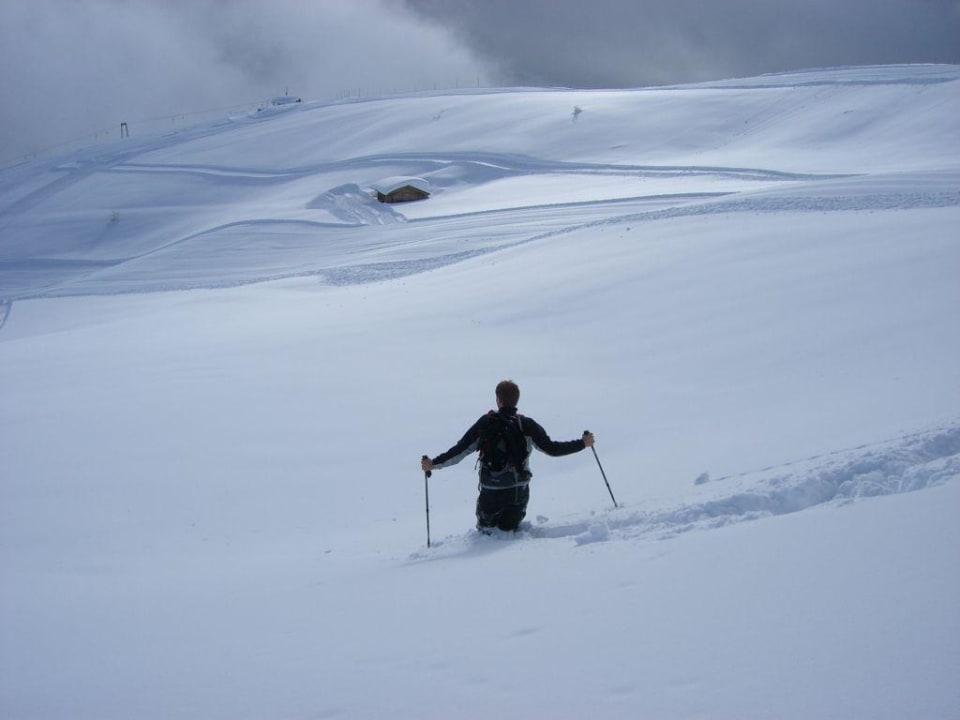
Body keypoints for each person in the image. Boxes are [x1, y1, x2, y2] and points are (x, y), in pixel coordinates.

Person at [421, 380, 595, 533]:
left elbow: (460, 450)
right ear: (516, 400)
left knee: (486, 536)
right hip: (518, 492)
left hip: (491, 493)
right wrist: (582, 443)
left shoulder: (486, 423)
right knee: (509, 532)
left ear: (499, 400)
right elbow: (553, 449)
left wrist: (433, 464)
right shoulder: (526, 424)